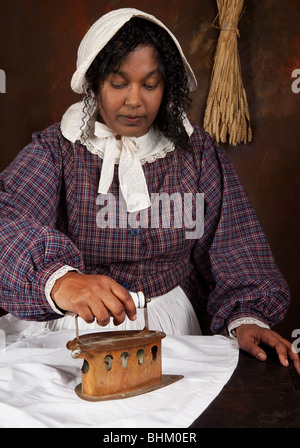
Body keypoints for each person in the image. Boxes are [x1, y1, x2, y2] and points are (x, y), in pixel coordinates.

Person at [0, 8, 299, 373]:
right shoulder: (57, 149)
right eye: (118, 82)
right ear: (94, 84)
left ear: (167, 85)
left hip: (170, 330)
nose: (134, 100)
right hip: (72, 329)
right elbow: (5, 218)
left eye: (150, 84)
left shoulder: (196, 152)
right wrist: (58, 281)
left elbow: (235, 243)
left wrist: (247, 318)